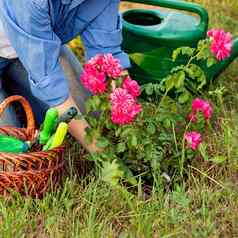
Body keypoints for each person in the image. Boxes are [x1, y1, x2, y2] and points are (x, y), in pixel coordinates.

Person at [0, 0, 130, 152]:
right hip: (22, 43)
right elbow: (52, 88)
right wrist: (102, 154)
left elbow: (108, 55)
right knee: (11, 156)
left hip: (40, 47)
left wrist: (127, 108)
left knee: (90, 118)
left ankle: (17, 89)